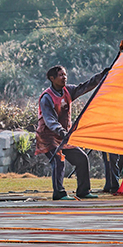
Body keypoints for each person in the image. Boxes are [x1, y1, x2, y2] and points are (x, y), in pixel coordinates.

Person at [35, 65, 109, 201]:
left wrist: (103, 74)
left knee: (81, 158)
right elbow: (50, 120)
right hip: (48, 136)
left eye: (65, 74)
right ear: (52, 79)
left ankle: (83, 191)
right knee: (58, 160)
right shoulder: (47, 97)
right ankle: (59, 193)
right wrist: (61, 131)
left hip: (64, 135)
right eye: (61, 75)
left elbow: (87, 85)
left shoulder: (68, 90)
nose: (64, 77)